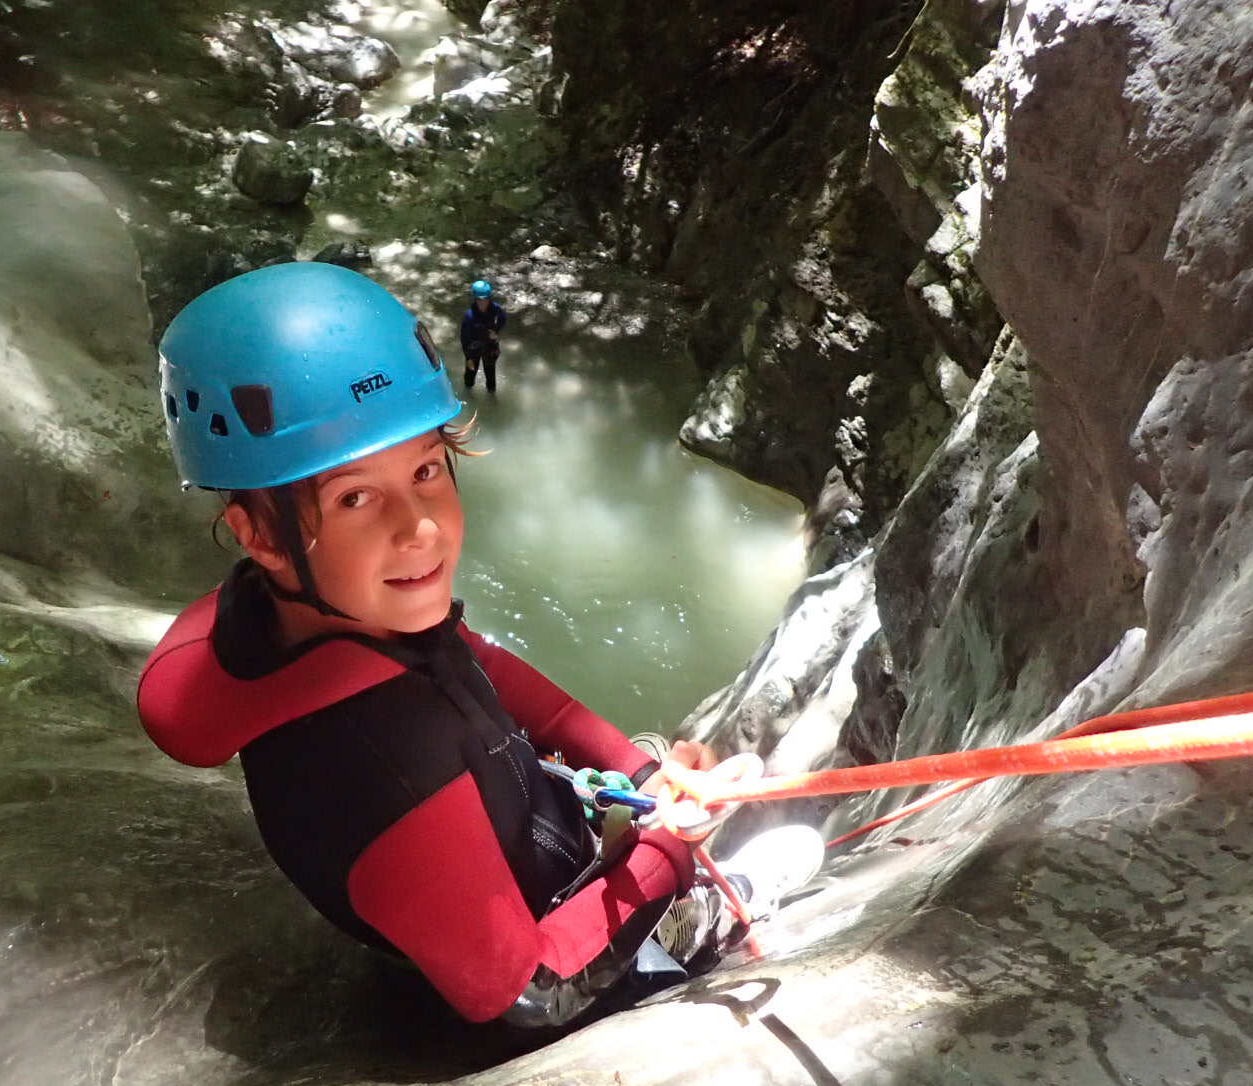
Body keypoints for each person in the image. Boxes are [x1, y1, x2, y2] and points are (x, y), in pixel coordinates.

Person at [137, 261, 811, 1030]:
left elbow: (479, 659)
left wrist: (637, 769)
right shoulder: (381, 763)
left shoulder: (308, 622)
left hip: (525, 840)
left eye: (426, 470)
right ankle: (705, 926)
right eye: (355, 498)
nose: (419, 527)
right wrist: (667, 851)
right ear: (259, 535)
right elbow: (528, 991)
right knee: (662, 944)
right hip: (546, 947)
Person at [459, 278, 505, 395]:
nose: (482, 302)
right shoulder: (469, 316)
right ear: (475, 299)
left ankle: (492, 398)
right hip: (473, 349)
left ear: (489, 298)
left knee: (490, 375)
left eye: (485, 299)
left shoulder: (495, 308)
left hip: (490, 346)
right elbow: (464, 338)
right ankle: (468, 395)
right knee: (469, 376)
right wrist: (468, 357)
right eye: (479, 299)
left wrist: (496, 330)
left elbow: (502, 318)